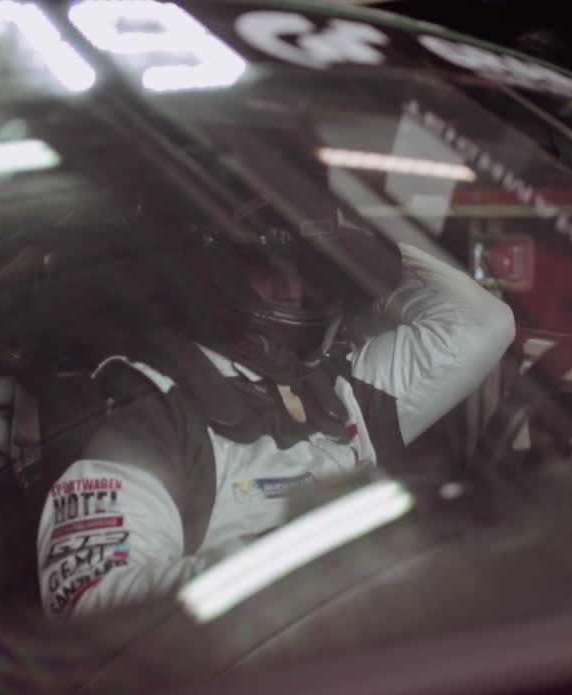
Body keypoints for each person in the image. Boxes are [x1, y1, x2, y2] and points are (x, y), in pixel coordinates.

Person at [35, 192, 516, 620]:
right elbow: (90, 606)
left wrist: (351, 243)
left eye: (308, 274)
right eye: (268, 271)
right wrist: (285, 566)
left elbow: (481, 322)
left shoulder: (340, 389)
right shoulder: (152, 412)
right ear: (210, 271)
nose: (294, 291)